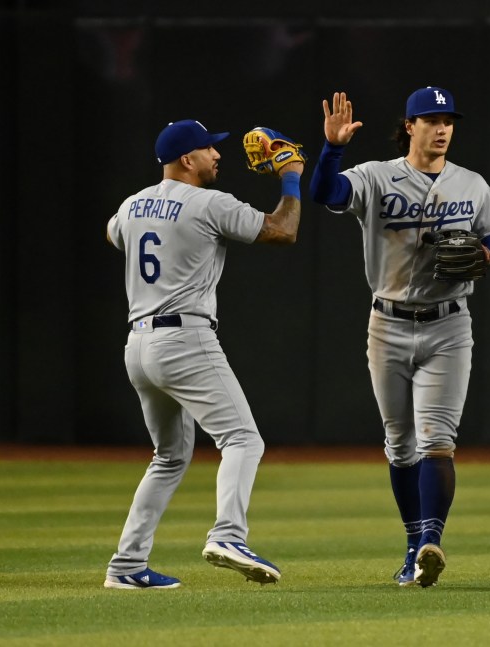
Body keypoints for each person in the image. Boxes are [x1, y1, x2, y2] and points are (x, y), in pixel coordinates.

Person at [309, 88, 490, 587]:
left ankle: (428, 543)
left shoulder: (472, 183)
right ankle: (412, 541)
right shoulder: (377, 176)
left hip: (449, 324)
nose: (441, 128)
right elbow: (325, 195)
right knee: (400, 446)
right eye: (430, 120)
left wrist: (484, 257)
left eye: (448, 120)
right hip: (388, 323)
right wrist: (332, 149)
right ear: (410, 127)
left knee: (438, 441)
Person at [102, 119, 303, 589]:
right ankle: (228, 535)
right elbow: (283, 230)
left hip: (138, 345)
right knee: (243, 440)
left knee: (169, 457)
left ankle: (127, 565)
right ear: (186, 160)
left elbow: (113, 235)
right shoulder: (209, 203)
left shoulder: (131, 205)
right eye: (208, 150)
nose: (217, 155)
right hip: (184, 338)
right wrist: (290, 175)